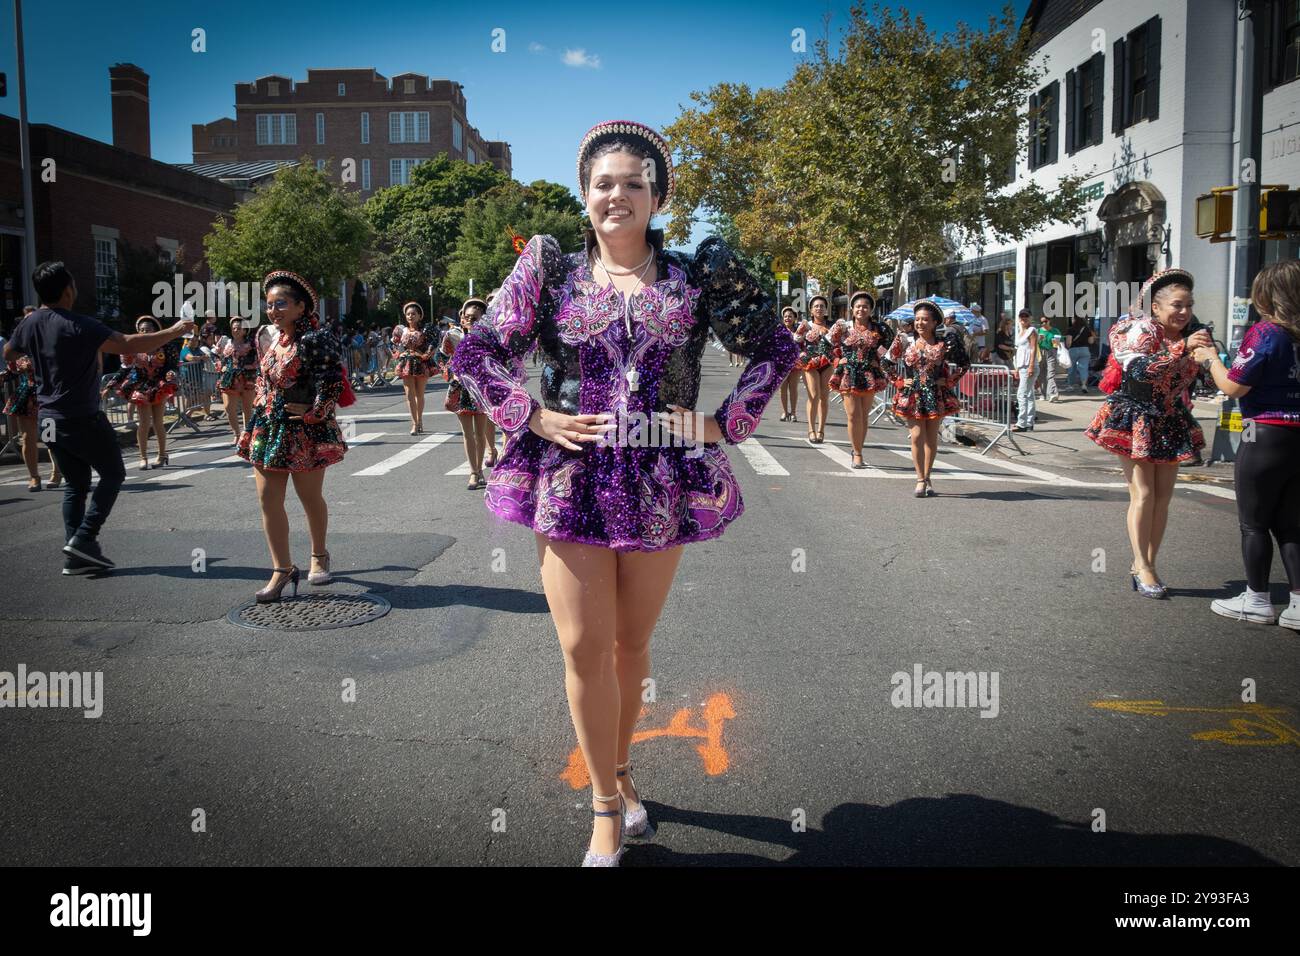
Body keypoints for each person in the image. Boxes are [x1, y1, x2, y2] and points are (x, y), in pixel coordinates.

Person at [449, 120, 796, 866]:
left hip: (661, 476)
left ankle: (625, 769)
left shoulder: (696, 275)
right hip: (570, 476)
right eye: (603, 183)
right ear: (584, 195)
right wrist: (529, 413)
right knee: (582, 646)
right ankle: (606, 807)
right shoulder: (550, 270)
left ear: (657, 195)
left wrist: (722, 423)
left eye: (633, 183)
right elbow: (475, 352)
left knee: (631, 645)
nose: (617, 196)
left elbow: (776, 345)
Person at [4, 261, 192, 573]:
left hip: (48, 417)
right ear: (68, 290)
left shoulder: (30, 323)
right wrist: (174, 330)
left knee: (76, 485)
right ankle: (84, 537)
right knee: (113, 473)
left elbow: (9, 352)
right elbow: (129, 344)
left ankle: (75, 555)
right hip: (80, 415)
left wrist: (33, 359)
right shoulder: (79, 324)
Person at [1084, 268, 1212, 598]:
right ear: (1156, 307)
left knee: (1164, 497)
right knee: (1143, 493)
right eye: (1177, 305)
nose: (1184, 312)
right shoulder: (1139, 329)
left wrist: (1211, 361)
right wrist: (1181, 349)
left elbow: (1206, 381)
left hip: (1171, 417)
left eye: (1189, 305)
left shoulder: (1194, 334)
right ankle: (1142, 564)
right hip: (1136, 415)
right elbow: (1141, 370)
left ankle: (1149, 562)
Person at [1193, 261, 1300, 630]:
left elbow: (1235, 386)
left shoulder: (1265, 332)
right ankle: (1298, 602)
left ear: (1267, 295)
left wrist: (1209, 361)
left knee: (1254, 523)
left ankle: (1257, 599)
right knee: (1292, 524)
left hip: (1263, 431)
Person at [237, 271, 348, 602]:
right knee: (268, 500)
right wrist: (253, 419)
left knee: (309, 497)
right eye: (269, 305)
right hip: (269, 428)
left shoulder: (315, 340)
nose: (273, 311)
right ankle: (281, 569)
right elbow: (263, 382)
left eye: (281, 304)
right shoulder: (271, 340)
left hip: (305, 432)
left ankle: (319, 555)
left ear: (301, 307)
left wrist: (314, 412)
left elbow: (332, 382)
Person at [886, 299, 968, 496]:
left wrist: (948, 381)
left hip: (935, 395)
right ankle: (920, 479)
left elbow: (965, 364)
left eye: (925, 320)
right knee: (916, 436)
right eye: (917, 319)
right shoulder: (904, 340)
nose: (920, 323)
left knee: (931, 439)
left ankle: (928, 477)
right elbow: (885, 362)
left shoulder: (944, 343)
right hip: (912, 394)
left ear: (934, 323)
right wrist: (898, 381)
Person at [1, 308, 63, 490]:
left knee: (49, 437)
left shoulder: (51, 343)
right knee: (28, 438)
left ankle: (56, 472)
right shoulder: (17, 348)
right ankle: (34, 476)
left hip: (47, 396)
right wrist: (4, 376)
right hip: (26, 394)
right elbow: (12, 370)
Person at [830, 291, 893, 468]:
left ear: (871, 309)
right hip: (848, 373)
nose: (861, 309)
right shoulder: (843, 327)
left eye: (865, 306)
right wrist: (836, 359)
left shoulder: (879, 328)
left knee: (863, 416)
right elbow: (825, 344)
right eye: (858, 306)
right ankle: (856, 453)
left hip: (868, 374)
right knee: (853, 415)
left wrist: (879, 358)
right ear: (852, 308)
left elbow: (891, 345)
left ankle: (859, 449)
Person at [438, 297, 496, 490]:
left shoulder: (488, 337)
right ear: (461, 317)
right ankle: (472, 471)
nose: (471, 320)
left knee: (480, 434)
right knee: (467, 433)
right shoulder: (452, 336)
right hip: (461, 388)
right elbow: (442, 356)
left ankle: (479, 471)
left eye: (476, 318)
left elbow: (496, 361)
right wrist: (451, 373)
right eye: (468, 317)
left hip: (480, 389)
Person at [118, 316, 181, 469]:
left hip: (159, 385)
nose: (144, 332)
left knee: (158, 422)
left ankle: (161, 455)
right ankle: (143, 457)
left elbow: (173, 365)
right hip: (141, 387)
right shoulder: (134, 347)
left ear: (155, 331)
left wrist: (171, 374)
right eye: (142, 330)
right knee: (144, 422)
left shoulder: (166, 345)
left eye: (148, 329)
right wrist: (111, 384)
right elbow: (125, 369)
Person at [215, 315, 260, 445]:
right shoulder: (226, 343)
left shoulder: (252, 344)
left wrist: (251, 367)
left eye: (239, 328)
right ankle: (236, 433)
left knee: (247, 409)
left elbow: (259, 359)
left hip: (247, 378)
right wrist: (221, 365)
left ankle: (247, 433)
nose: (235, 330)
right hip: (229, 378)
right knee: (229, 408)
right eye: (234, 328)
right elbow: (218, 357)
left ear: (245, 330)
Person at [391, 302, 435, 434]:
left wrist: (425, 355)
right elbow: (392, 343)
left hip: (421, 363)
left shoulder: (426, 330)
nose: (410, 316)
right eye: (408, 314)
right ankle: (414, 424)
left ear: (419, 316)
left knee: (419, 394)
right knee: (409, 394)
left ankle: (420, 420)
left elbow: (433, 343)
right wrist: (399, 353)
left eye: (413, 314)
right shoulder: (401, 330)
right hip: (406, 364)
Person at [796, 294, 835, 442]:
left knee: (824, 396)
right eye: (816, 306)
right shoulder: (805, 326)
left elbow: (840, 344)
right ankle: (811, 429)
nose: (819, 308)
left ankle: (821, 430)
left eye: (822, 306)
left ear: (826, 310)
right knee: (813, 395)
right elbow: (796, 342)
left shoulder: (832, 326)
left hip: (827, 364)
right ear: (811, 310)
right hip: (810, 364)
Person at [1012, 310, 1039, 432]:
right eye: (1021, 317)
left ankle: (1022, 423)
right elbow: (1020, 350)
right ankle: (1029, 422)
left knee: (1021, 394)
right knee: (1028, 394)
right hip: (1022, 365)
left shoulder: (1031, 331)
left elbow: (1033, 349)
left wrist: (1031, 366)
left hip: (1029, 365)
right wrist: (1017, 368)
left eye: (1026, 317)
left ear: (1030, 318)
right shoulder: (1020, 331)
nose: (1023, 319)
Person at [777, 306, 801, 421]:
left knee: (793, 388)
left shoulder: (799, 331)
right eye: (785, 316)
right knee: (783, 389)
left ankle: (793, 412)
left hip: (795, 364)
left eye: (790, 316)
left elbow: (804, 346)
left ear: (794, 318)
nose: (787, 318)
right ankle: (784, 412)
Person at [1065, 314, 1096, 394]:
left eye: (1072, 319)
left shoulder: (1070, 329)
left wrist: (1067, 348)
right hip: (1085, 350)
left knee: (1071, 368)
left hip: (1073, 350)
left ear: (1075, 320)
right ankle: (1084, 385)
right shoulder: (1087, 330)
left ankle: (1070, 385)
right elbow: (1091, 341)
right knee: (1084, 368)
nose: (1071, 320)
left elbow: (1068, 342)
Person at [1036, 315, 1063, 402]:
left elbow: (1059, 344)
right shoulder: (1038, 331)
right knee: (1041, 374)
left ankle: (1053, 394)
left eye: (1045, 321)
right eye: (1041, 322)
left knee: (1051, 373)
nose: (1043, 323)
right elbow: (1033, 343)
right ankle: (1042, 394)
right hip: (1040, 352)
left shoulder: (1055, 331)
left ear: (1049, 321)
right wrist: (1038, 340)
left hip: (1051, 352)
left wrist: (1056, 342)